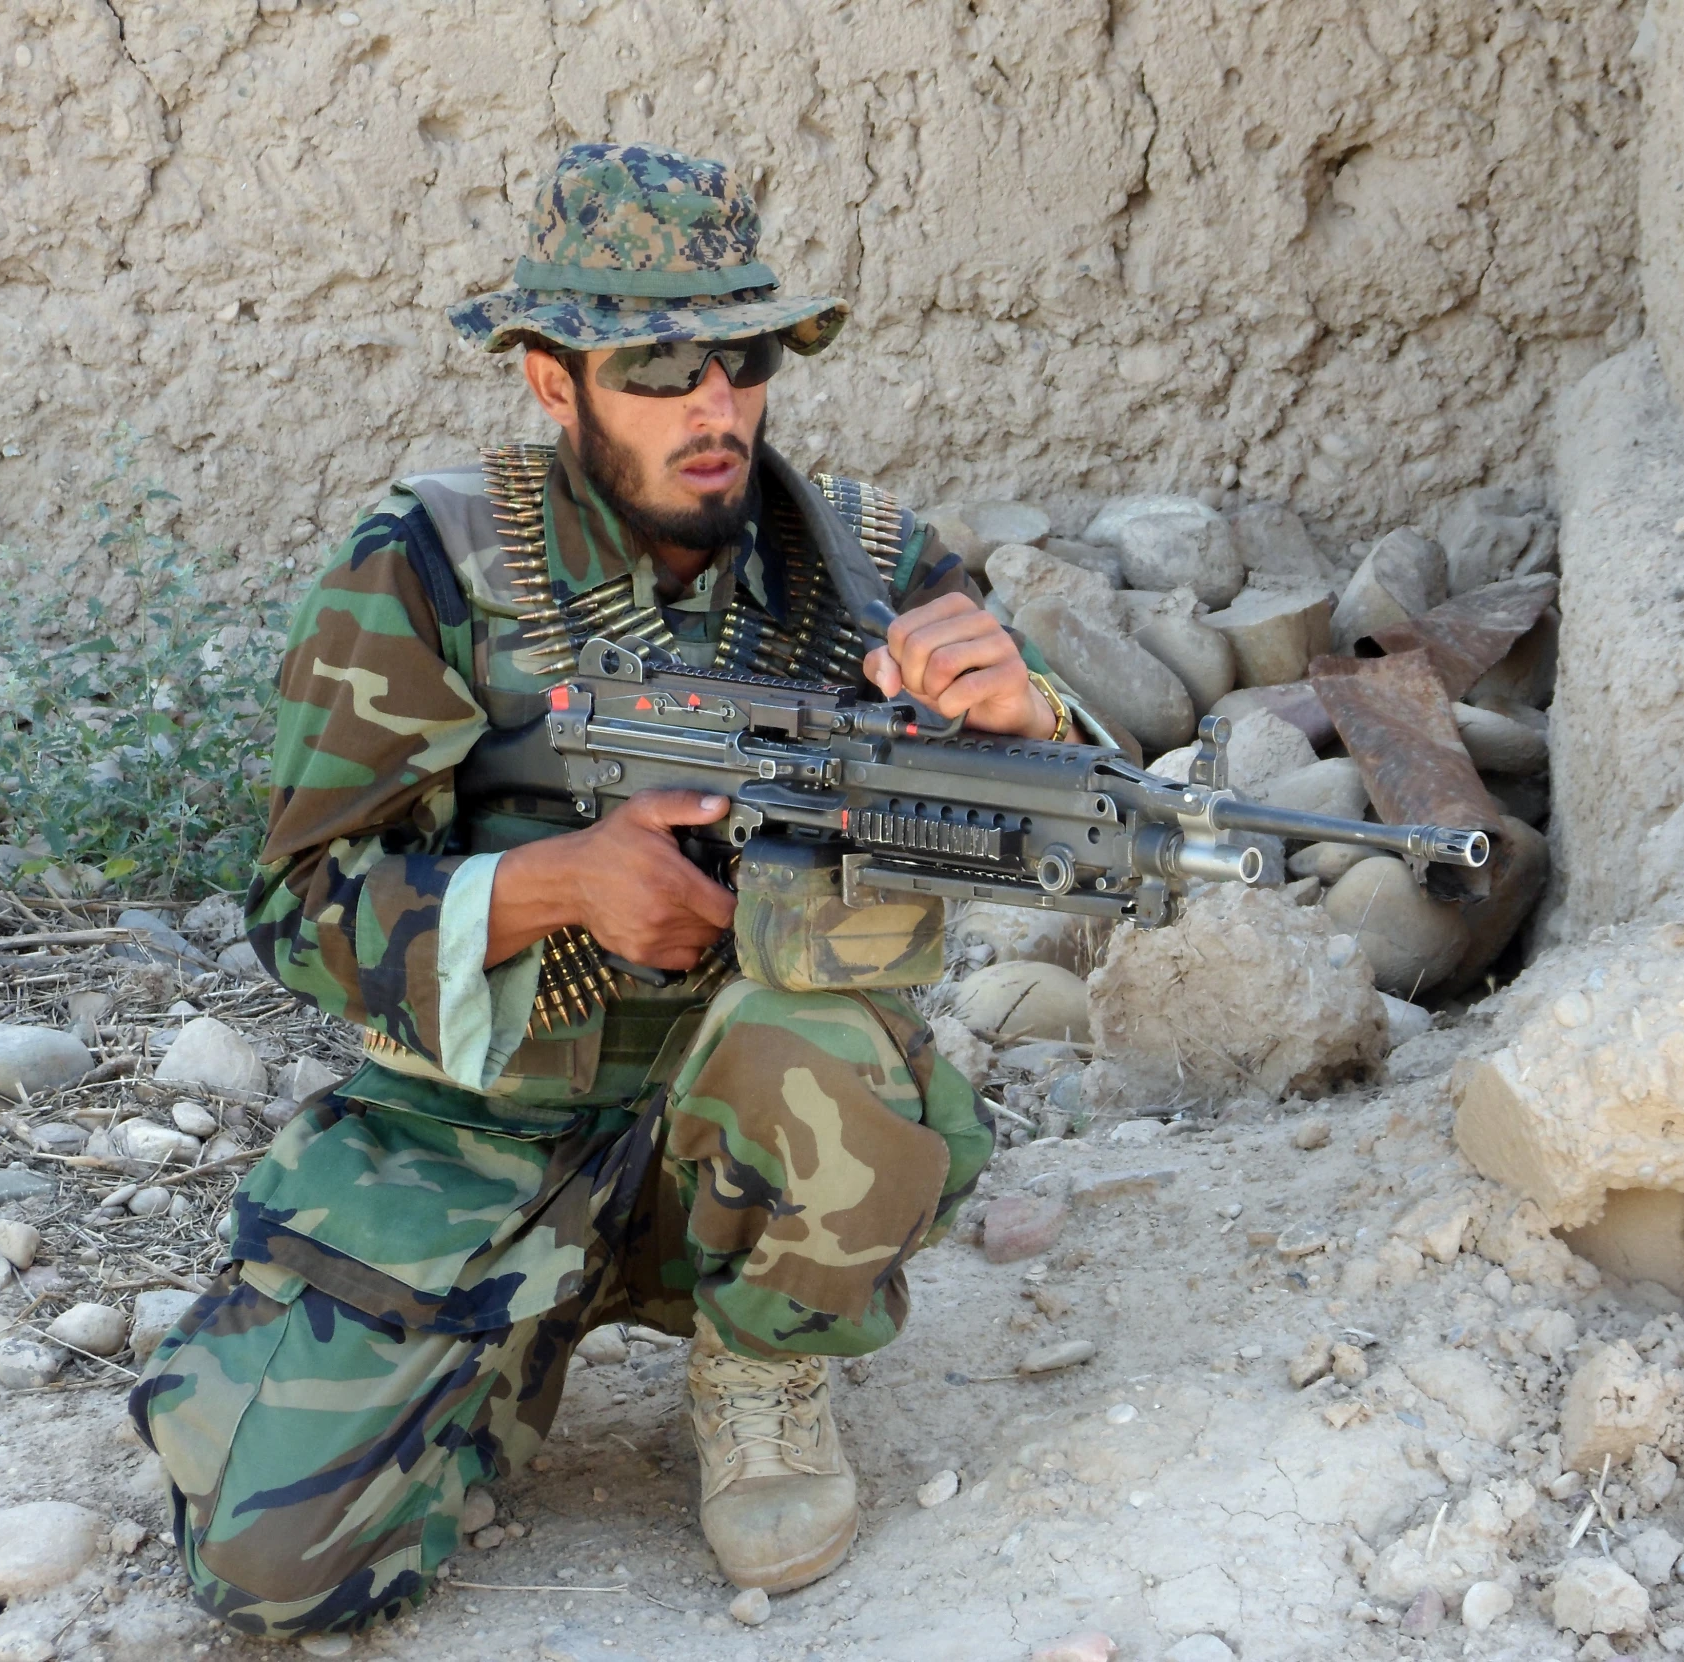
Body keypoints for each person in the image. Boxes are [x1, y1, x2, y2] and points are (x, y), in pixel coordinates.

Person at [128, 141, 1102, 1640]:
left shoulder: (874, 564)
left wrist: (1036, 723)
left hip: (748, 1121)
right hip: (469, 1119)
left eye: (744, 356)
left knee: (824, 1036)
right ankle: (489, 1350)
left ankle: (764, 1351)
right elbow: (297, 898)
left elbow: (1073, 815)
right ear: (550, 380)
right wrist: (550, 888)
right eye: (655, 364)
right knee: (270, 1565)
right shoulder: (431, 568)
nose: (715, 408)